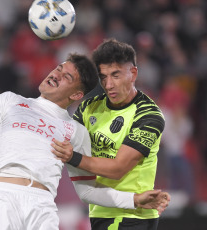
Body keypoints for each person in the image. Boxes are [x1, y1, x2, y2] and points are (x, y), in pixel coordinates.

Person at [0, 53, 169, 230]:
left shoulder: (76, 131)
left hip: (42, 205)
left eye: (67, 77)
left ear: (77, 94)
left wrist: (133, 200)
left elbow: (88, 192)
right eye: (59, 68)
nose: (56, 74)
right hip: (1, 198)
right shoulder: (10, 101)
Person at [52, 39, 166, 230]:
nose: (109, 84)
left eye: (115, 75)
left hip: (133, 215)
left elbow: (118, 168)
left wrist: (73, 157)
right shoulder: (89, 108)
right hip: (100, 211)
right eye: (103, 77)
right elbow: (59, 139)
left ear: (133, 73)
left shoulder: (148, 115)